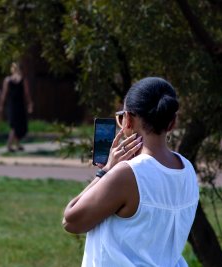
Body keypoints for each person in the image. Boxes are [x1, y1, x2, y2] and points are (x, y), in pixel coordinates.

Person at [62, 77, 199, 266]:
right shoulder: (187, 170)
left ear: (128, 120)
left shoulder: (126, 174)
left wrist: (106, 172)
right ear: (172, 123)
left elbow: (71, 221)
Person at [0, 62, 33, 152]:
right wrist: (30, 104)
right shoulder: (22, 80)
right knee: (15, 126)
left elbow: (4, 94)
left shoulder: (7, 80)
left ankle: (17, 144)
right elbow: (27, 94)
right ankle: (9, 144)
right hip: (19, 105)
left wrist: (1, 106)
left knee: (16, 125)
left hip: (12, 105)